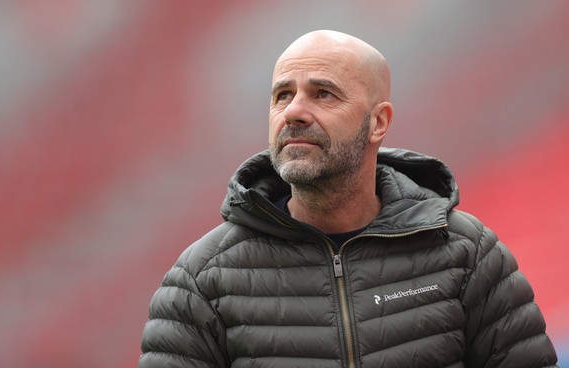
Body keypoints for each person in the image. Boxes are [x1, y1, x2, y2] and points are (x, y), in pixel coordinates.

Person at [138, 30, 558, 368]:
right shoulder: (201, 279)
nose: (294, 112)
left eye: (323, 94)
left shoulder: (468, 254)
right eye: (282, 95)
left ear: (378, 122)